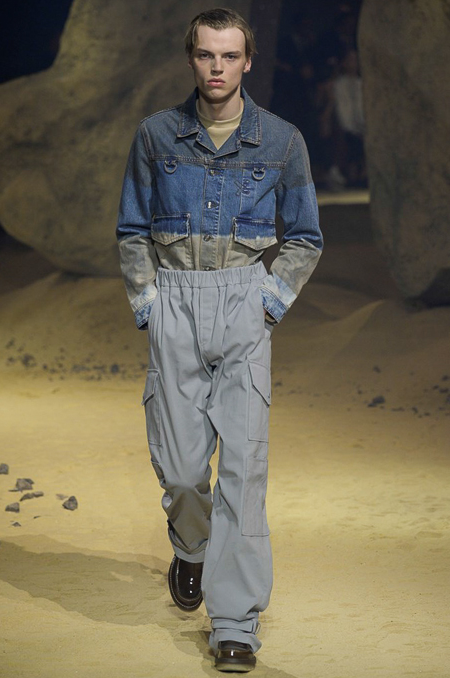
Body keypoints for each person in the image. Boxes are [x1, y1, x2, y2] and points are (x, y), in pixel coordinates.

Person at [116, 8, 323, 672]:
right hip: (175, 300)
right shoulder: (156, 135)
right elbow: (132, 230)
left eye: (230, 56)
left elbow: (306, 237)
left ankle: (235, 622)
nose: (217, 67)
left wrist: (266, 302)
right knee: (182, 470)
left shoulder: (281, 141)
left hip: (242, 301)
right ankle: (191, 545)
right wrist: (150, 305)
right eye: (207, 54)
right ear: (191, 58)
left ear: (247, 61)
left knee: (243, 468)